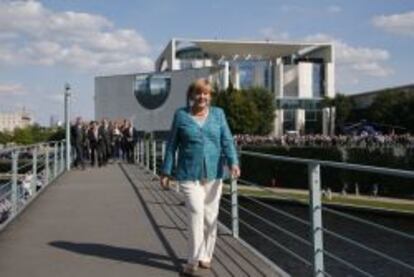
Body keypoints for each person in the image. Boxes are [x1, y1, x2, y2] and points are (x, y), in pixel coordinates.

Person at [160, 78, 240, 276]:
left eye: (206, 93)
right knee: (196, 212)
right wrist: (166, 171)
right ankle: (193, 259)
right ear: (191, 95)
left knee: (210, 216)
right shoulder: (181, 115)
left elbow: (227, 140)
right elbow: (171, 145)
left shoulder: (218, 114)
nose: (202, 96)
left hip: (214, 172)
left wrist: (233, 162)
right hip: (188, 173)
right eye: (198, 93)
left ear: (210, 96)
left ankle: (206, 255)